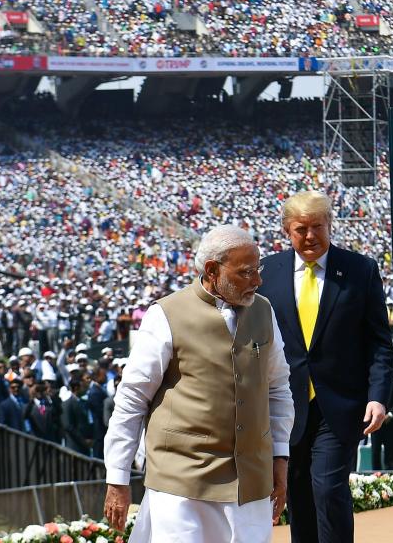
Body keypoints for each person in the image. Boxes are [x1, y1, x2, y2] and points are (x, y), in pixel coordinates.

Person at [103, 225, 294, 543]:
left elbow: (278, 388)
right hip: (182, 487)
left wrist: (280, 456)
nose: (258, 281)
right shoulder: (165, 315)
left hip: (250, 485)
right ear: (212, 270)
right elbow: (132, 399)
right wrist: (118, 478)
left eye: (257, 270)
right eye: (246, 272)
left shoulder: (264, 311)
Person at [257, 191, 393, 543]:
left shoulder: (360, 270)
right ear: (287, 229)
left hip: (340, 404)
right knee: (299, 492)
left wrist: (378, 397)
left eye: (318, 227)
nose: (310, 236)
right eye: (301, 229)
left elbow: (379, 341)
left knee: (328, 487)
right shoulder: (267, 272)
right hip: (286, 405)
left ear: (329, 225)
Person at [62, 378, 93, 456]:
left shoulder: (83, 402)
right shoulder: (67, 404)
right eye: (83, 386)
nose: (85, 388)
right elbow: (68, 426)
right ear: (76, 388)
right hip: (74, 446)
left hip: (85, 446)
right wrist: (83, 441)